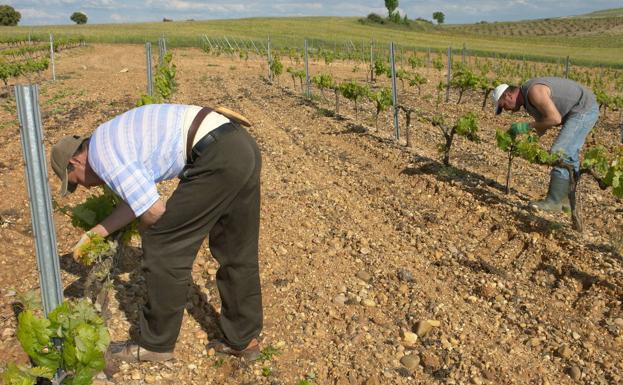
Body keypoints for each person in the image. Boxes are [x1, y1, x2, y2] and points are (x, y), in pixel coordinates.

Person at [51, 104, 263, 362]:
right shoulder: (107, 139)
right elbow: (136, 201)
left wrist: (153, 239)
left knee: (163, 246)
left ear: (75, 161)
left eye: (75, 181)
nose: (83, 187)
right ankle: (244, 339)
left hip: (217, 156)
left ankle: (155, 344)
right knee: (236, 249)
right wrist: (94, 233)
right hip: (239, 145)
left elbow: (152, 210)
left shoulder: (101, 156)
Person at [492, 77, 599, 212]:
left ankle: (554, 201)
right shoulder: (527, 103)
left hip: (584, 108)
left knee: (559, 151)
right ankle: (566, 201)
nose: (506, 110)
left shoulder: (533, 92)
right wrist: (530, 142)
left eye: (503, 106)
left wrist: (526, 126)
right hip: (579, 110)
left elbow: (554, 119)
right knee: (570, 154)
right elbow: (543, 124)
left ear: (508, 95)